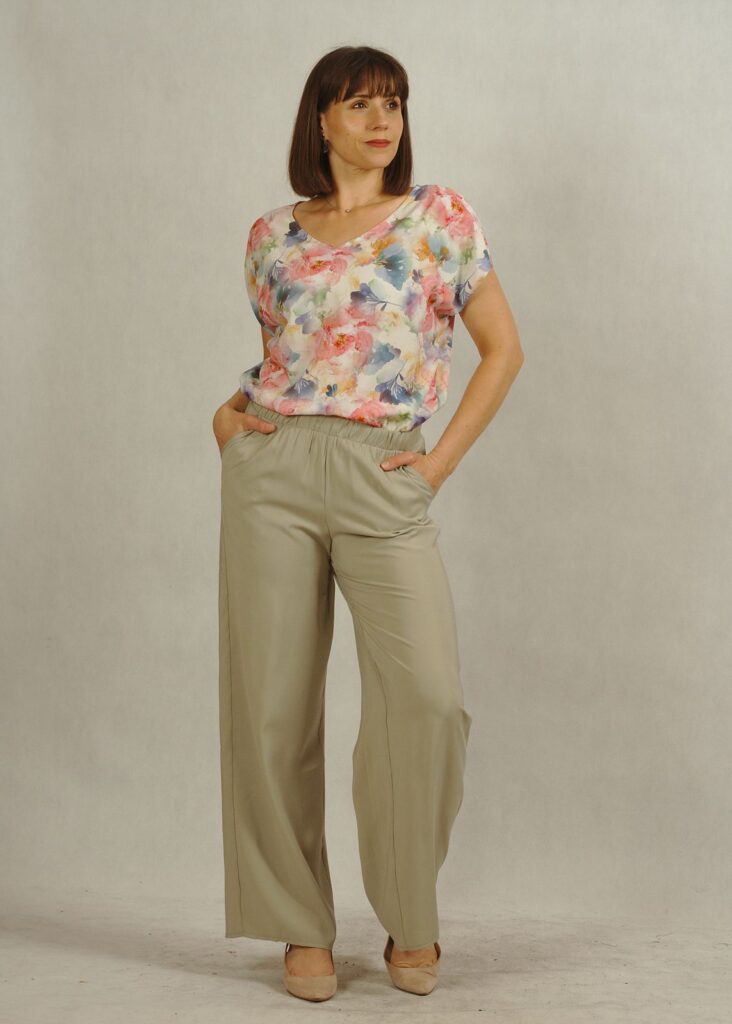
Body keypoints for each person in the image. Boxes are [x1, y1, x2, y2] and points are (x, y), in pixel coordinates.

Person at [212, 45, 524, 1002]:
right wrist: (230, 419)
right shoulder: (271, 236)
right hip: (274, 469)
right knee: (270, 705)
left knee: (426, 699)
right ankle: (298, 925)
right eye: (359, 104)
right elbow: (289, 355)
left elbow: (503, 351)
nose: (382, 119)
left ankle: (408, 914)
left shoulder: (439, 219)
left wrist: (436, 464)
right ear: (322, 120)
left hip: (386, 470)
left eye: (393, 103)